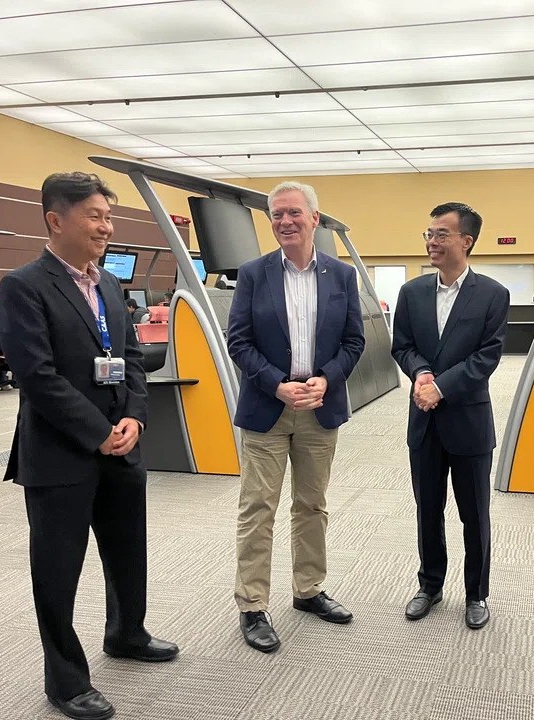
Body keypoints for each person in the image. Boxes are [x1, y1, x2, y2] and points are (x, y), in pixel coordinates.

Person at [0, 172, 178, 720]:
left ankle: (127, 633)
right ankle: (66, 681)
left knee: (127, 552)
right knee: (58, 570)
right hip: (60, 454)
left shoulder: (108, 286)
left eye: (108, 216)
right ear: (56, 219)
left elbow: (133, 362)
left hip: (123, 446)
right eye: (96, 216)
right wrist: (98, 432)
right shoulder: (24, 285)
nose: (106, 226)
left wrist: (135, 421)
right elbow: (38, 376)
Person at [226, 180, 365, 654]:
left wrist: (327, 379)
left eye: (293, 213)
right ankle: (252, 604)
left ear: (314, 219)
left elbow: (354, 342)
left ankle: (308, 590)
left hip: (319, 408)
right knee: (257, 507)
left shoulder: (341, 276)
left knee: (312, 505)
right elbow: (238, 341)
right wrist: (276, 383)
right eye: (276, 214)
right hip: (268, 407)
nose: (284, 221)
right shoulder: (253, 273)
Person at [391, 202, 510, 630]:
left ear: (467, 241)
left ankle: (476, 593)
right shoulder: (411, 293)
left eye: (441, 233)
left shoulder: (493, 294)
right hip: (424, 424)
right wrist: (422, 373)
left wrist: (441, 387)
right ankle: (430, 585)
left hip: (468, 422)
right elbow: (402, 345)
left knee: (474, 514)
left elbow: (487, 357)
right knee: (428, 510)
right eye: (429, 233)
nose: (432, 241)